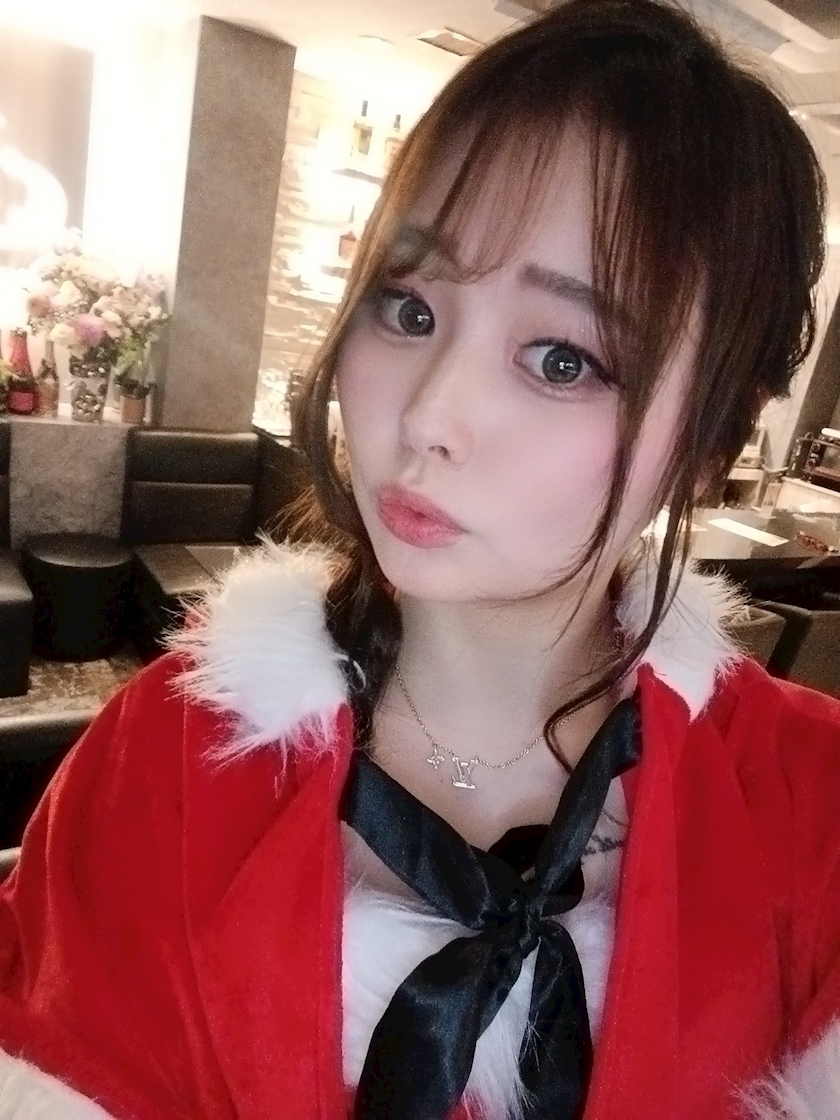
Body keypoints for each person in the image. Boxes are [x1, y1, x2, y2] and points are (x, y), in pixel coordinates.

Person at [1, 0, 839, 1117]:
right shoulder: (163, 756)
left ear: (712, 440)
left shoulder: (811, 802)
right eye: (406, 307)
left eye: (562, 358)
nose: (430, 415)